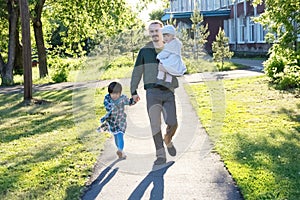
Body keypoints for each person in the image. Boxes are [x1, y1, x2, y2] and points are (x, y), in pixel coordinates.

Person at [130, 20, 179, 165]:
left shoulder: (171, 48)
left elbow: (179, 65)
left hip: (168, 90)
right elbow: (137, 71)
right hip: (152, 92)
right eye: (151, 31)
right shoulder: (144, 51)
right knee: (155, 125)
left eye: (156, 31)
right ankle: (160, 155)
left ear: (162, 31)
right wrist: (133, 91)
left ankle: (168, 139)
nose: (154, 34)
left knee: (173, 122)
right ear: (149, 33)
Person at [97, 81, 135, 159]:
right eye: (112, 94)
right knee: (116, 136)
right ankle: (120, 150)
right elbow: (108, 106)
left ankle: (120, 150)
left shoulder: (122, 98)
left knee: (120, 135)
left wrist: (134, 100)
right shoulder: (107, 99)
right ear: (109, 93)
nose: (114, 96)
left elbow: (129, 102)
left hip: (121, 121)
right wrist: (115, 104)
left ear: (120, 93)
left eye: (117, 94)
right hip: (112, 122)